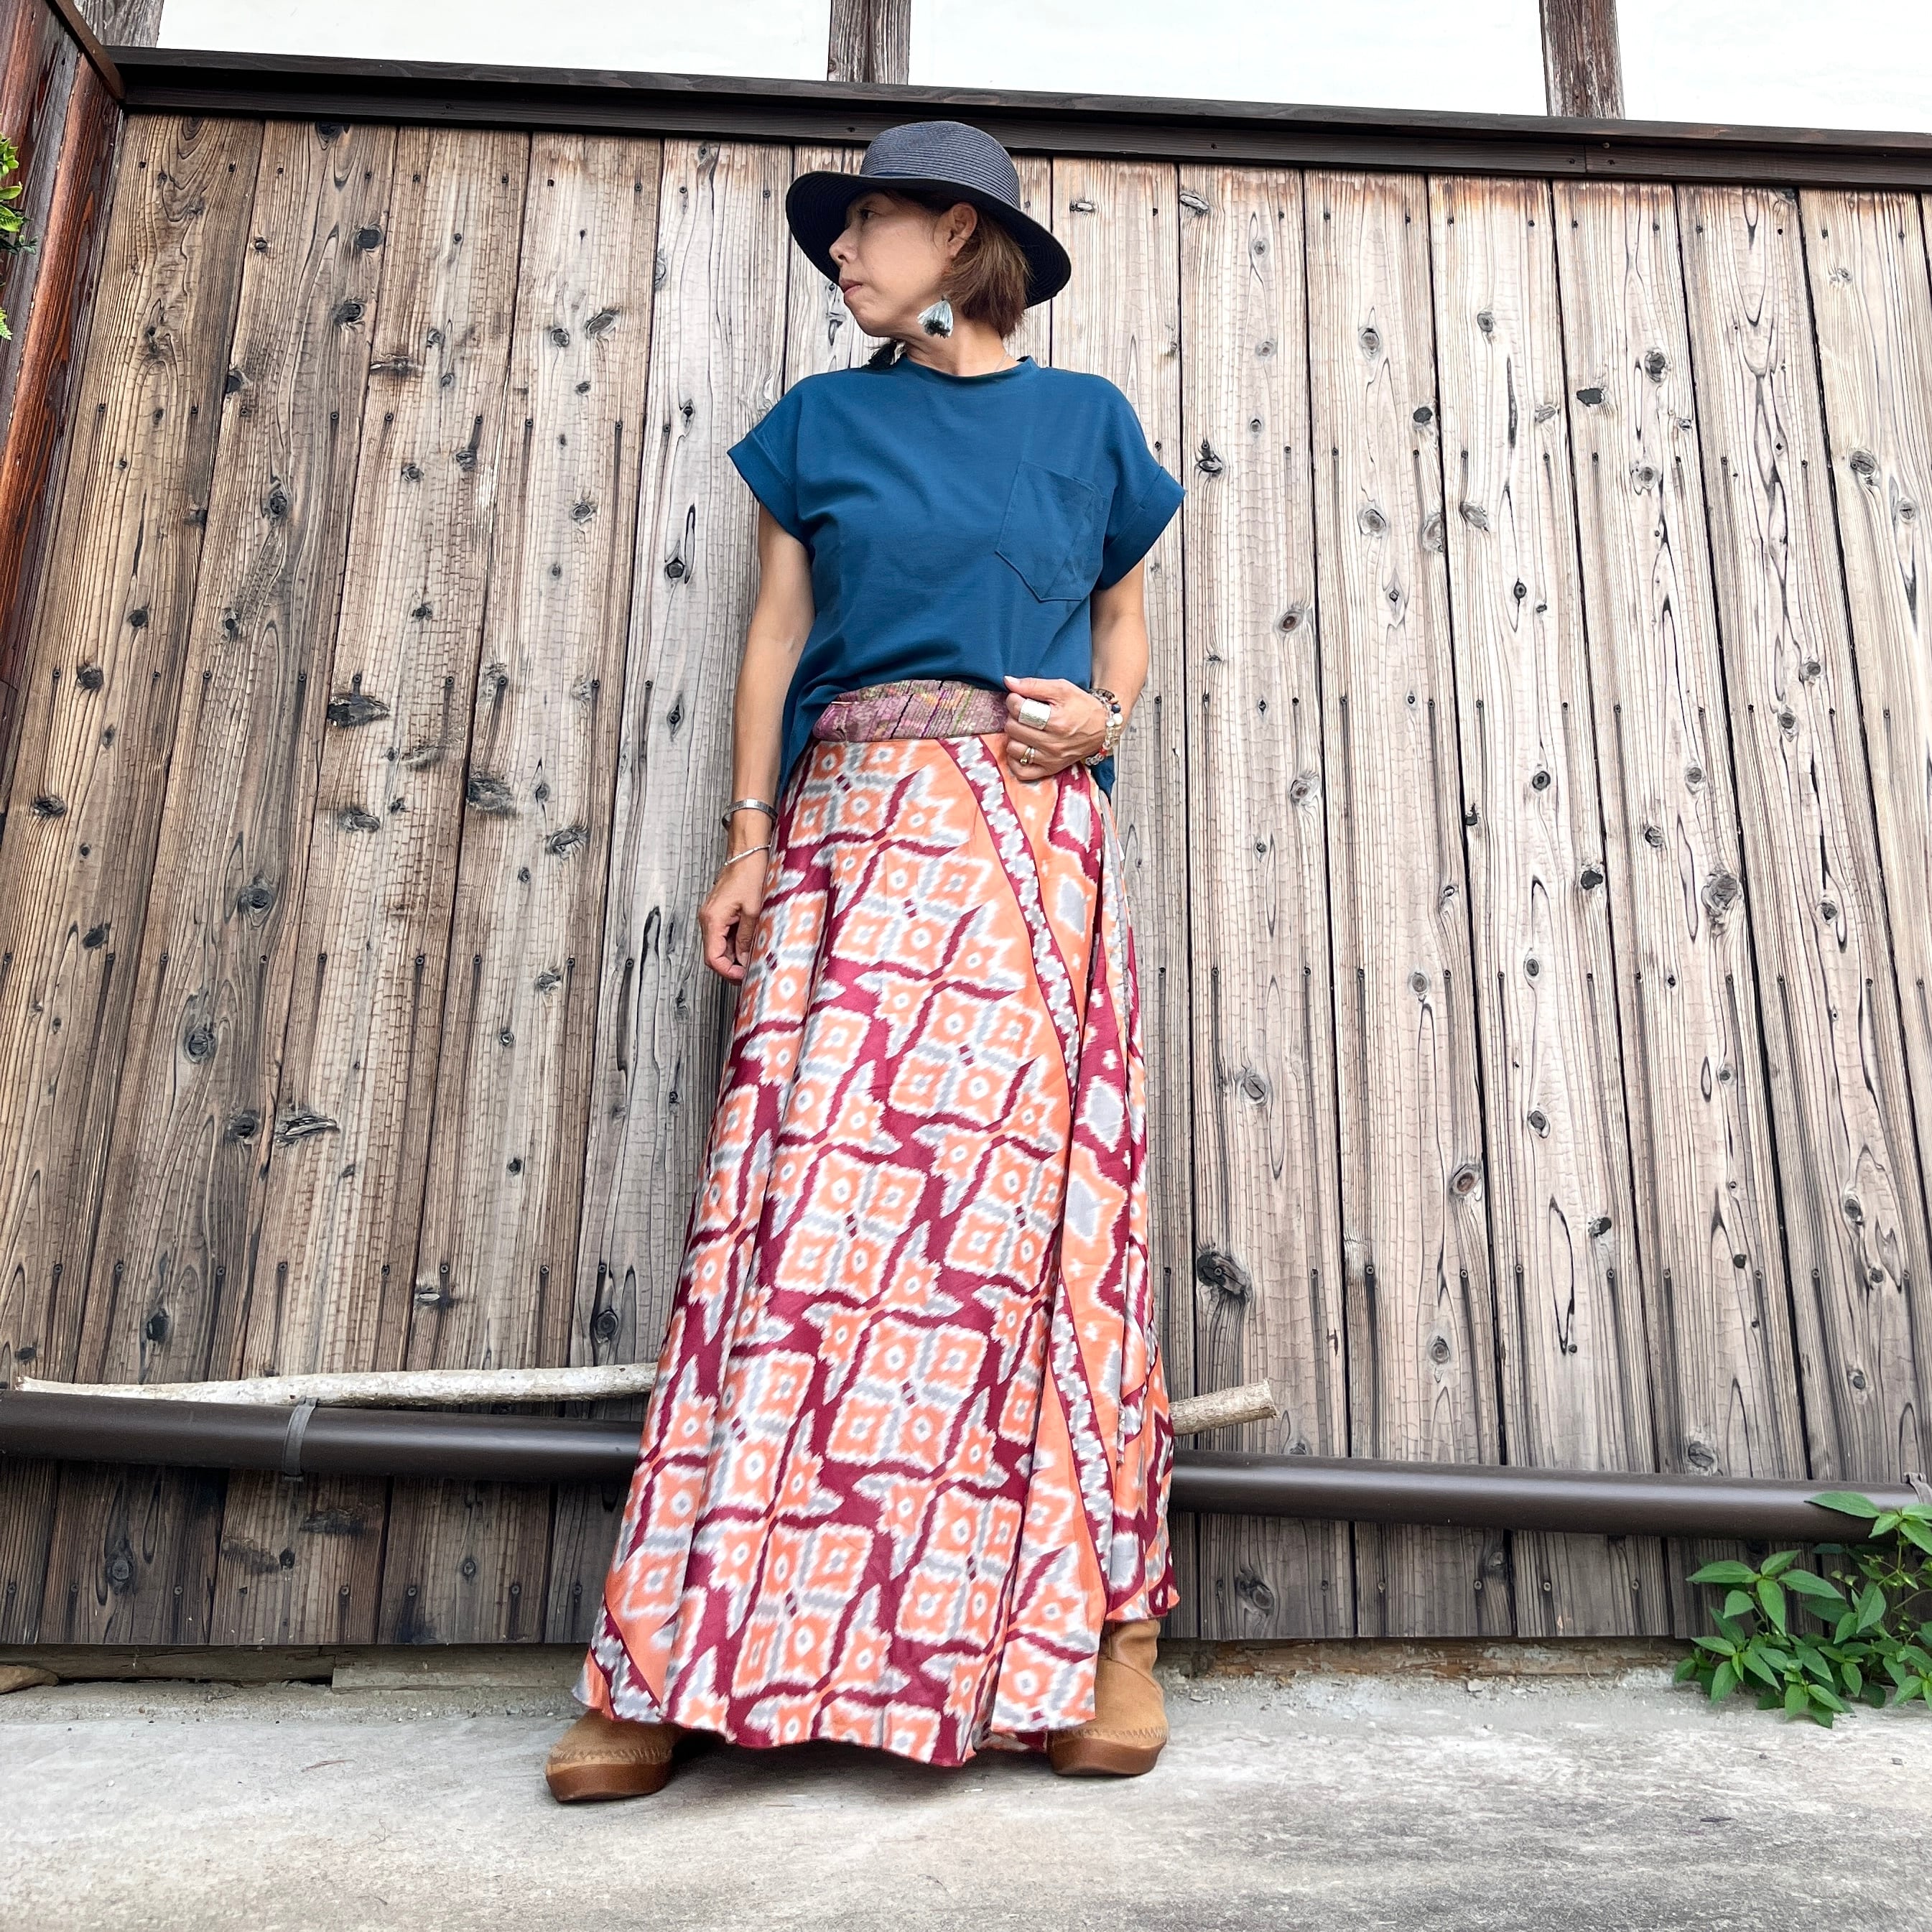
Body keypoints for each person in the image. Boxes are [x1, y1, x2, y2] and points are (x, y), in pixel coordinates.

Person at [544, 119, 1184, 1803]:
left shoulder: (1087, 422)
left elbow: (1121, 623)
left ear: (955, 234)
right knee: (801, 1225)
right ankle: (677, 1647)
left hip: (1024, 851)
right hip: (845, 840)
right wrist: (747, 837)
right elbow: (774, 635)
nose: (839, 253)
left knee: (1027, 1234)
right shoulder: (820, 423)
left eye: (867, 224)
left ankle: (1090, 1633)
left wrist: (1107, 717)